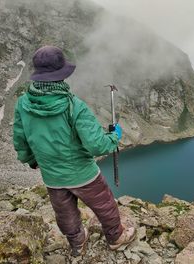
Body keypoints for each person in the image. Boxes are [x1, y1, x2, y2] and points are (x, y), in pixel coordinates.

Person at [13, 45, 136, 256]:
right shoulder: (74, 106)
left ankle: (78, 243)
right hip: (83, 174)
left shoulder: (23, 104)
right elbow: (97, 144)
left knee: (65, 213)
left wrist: (32, 160)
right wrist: (115, 136)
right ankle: (116, 237)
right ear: (61, 74)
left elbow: (21, 140)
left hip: (52, 175)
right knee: (105, 205)